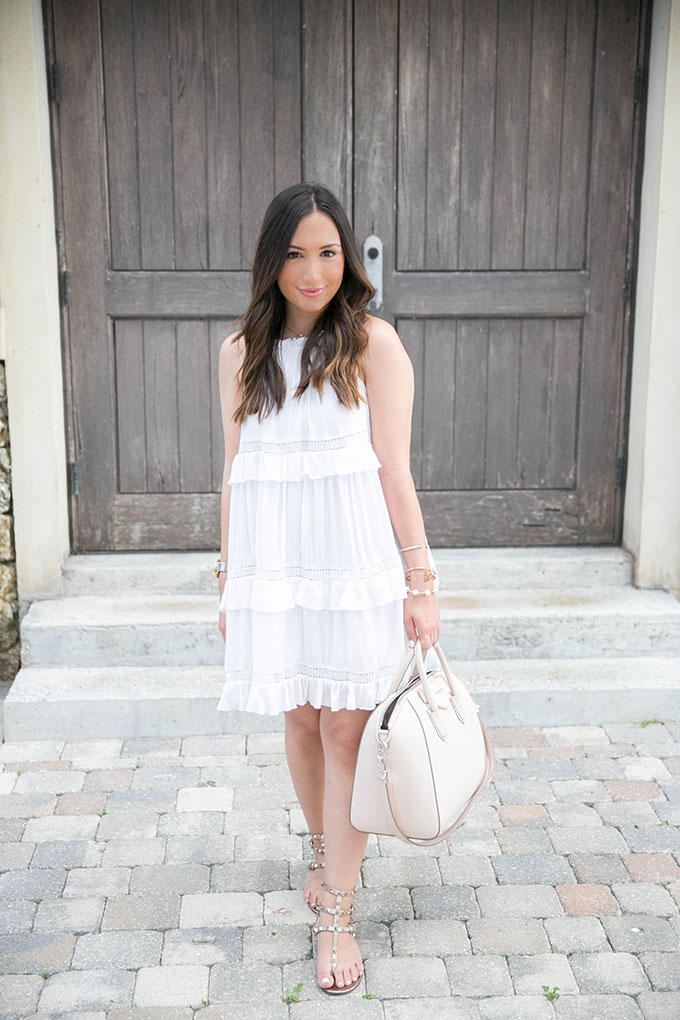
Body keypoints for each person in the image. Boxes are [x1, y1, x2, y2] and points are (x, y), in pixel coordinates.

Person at [215, 182, 441, 995]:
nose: (313, 272)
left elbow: (395, 471)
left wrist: (422, 582)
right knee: (302, 722)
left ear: (347, 257)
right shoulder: (240, 353)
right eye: (295, 254)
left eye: (328, 253)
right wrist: (228, 581)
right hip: (276, 574)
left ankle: (337, 916)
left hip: (356, 572)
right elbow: (237, 478)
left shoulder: (372, 343)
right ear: (271, 260)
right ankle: (322, 849)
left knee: (348, 733)